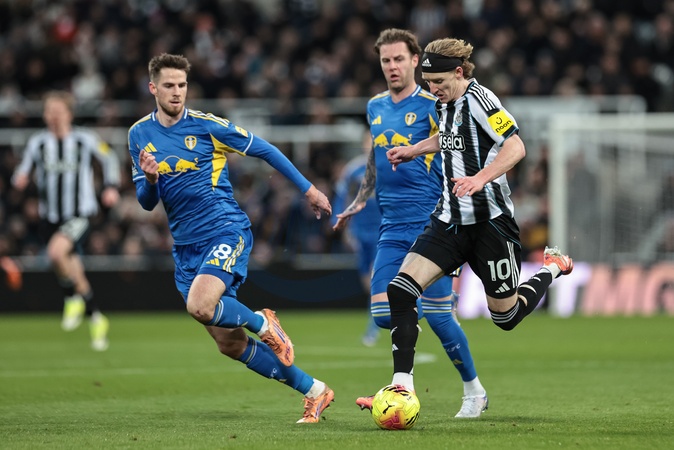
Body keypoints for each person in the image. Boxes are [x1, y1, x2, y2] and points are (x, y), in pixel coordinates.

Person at [127, 53, 334, 424]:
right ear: (153, 88)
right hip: (185, 248)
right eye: (169, 85)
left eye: (182, 85)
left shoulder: (207, 126)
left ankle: (264, 323)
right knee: (229, 343)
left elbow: (266, 150)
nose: (177, 92)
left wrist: (309, 189)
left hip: (224, 230)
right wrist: (152, 179)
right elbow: (146, 202)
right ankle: (315, 391)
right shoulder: (138, 134)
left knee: (200, 306)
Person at [385, 37, 574, 400]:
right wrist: (414, 150)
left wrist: (480, 178)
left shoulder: (482, 100)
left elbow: (516, 146)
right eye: (428, 83)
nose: (433, 89)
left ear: (459, 72)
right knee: (401, 289)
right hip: (450, 221)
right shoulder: (444, 101)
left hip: (491, 225)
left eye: (439, 82)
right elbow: (448, 137)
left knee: (506, 318)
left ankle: (552, 268)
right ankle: (402, 387)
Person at [333, 29, 488, 418]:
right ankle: (405, 381)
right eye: (386, 60)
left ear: (415, 61)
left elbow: (458, 147)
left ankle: (473, 391)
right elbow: (375, 157)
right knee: (383, 313)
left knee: (438, 316)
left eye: (399, 59)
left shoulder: (434, 104)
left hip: (431, 223)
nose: (392, 67)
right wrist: (360, 198)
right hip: (390, 225)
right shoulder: (374, 106)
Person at [12, 90, 118, 351]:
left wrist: (110, 186)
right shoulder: (38, 143)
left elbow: (110, 157)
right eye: (49, 111)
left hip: (79, 214)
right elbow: (22, 170)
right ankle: (96, 316)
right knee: (74, 270)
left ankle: (71, 298)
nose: (54, 116)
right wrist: (20, 178)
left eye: (58, 111)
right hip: (50, 217)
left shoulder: (84, 139)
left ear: (69, 114)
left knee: (56, 253)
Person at [332, 131, 382, 347]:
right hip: (360, 231)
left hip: (383, 230)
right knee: (367, 282)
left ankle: (373, 328)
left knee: (377, 278)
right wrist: (343, 225)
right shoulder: (353, 170)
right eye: (367, 141)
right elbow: (342, 197)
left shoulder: (388, 166)